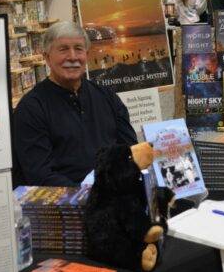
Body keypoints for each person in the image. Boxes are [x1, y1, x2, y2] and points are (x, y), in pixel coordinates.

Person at [11, 21, 137, 187]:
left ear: (86, 54)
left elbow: (129, 151)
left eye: (78, 49)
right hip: (64, 206)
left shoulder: (108, 97)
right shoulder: (31, 108)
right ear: (47, 58)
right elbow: (40, 176)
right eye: (63, 49)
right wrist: (87, 195)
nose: (72, 57)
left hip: (112, 197)